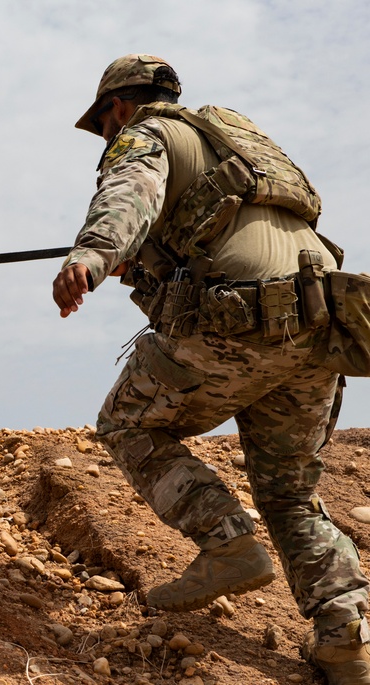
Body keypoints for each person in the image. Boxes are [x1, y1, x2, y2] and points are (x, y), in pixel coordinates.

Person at [54, 54, 370, 684]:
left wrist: (91, 257)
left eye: (106, 123)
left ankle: (228, 543)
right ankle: (344, 636)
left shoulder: (145, 133)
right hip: (321, 327)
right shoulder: (243, 145)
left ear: (119, 106)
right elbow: (236, 231)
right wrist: (146, 256)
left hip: (238, 324)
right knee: (289, 492)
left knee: (126, 424)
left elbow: (130, 192)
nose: (109, 133)